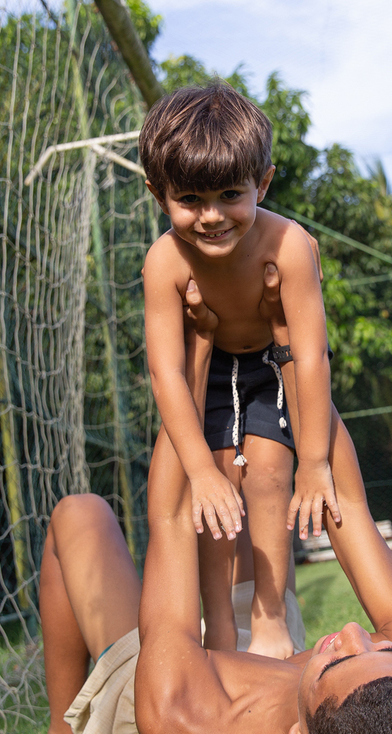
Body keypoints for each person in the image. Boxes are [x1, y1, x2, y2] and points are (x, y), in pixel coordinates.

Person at [22, 277, 392, 734]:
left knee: (80, 514)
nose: (354, 628)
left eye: (340, 658)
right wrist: (288, 344)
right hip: (259, 651)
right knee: (264, 463)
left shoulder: (189, 725)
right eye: (384, 645)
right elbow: (345, 502)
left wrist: (198, 349)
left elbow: (169, 518)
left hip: (176, 674)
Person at [140, 81, 338, 659]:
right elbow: (167, 373)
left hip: (270, 365)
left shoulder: (290, 245)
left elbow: (310, 353)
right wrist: (199, 468)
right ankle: (220, 632)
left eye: (230, 194)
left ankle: (272, 619)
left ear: (263, 183)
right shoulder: (163, 262)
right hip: (209, 369)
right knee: (218, 490)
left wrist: (317, 462)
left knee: (271, 475)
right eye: (190, 200)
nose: (211, 216)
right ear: (159, 194)